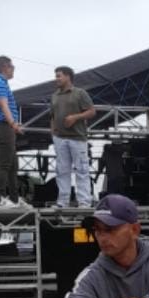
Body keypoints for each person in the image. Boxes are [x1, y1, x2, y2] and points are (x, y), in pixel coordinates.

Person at [0, 55, 30, 209]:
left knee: (12, 165)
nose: (13, 70)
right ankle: (0, 199)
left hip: (5, 127)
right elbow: (3, 105)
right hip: (3, 127)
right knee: (5, 165)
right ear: (5, 67)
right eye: (12, 67)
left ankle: (14, 199)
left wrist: (12, 124)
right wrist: (13, 123)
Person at [50, 66, 95, 208]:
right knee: (62, 171)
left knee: (81, 170)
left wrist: (75, 117)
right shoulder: (54, 96)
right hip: (60, 138)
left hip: (78, 138)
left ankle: (84, 202)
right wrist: (53, 133)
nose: (56, 79)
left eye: (59, 76)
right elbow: (52, 116)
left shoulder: (80, 93)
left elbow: (92, 111)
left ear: (68, 76)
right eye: (56, 76)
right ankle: (62, 202)